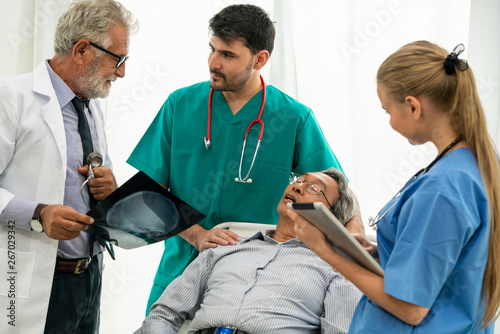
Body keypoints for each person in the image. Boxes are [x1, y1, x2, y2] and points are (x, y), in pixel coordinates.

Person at [127, 4, 364, 313]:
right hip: (182, 266)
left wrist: (355, 244)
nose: (214, 62)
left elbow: (336, 187)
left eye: (228, 55)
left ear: (260, 59)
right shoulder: (180, 104)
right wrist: (197, 235)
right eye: (212, 49)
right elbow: (147, 190)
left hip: (254, 279)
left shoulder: (293, 117)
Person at [292, 41, 500, 333]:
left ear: (413, 106)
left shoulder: (442, 189)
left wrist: (325, 250)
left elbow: (410, 308)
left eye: (387, 110)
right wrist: (381, 251)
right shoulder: (473, 166)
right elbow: (448, 260)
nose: (389, 121)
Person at [0, 1, 138, 333]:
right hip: (35, 281)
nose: (122, 72)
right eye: (118, 59)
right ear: (80, 50)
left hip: (88, 276)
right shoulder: (12, 98)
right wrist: (38, 214)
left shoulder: (91, 107)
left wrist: (108, 186)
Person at [134, 168, 362, 334]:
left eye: (313, 188)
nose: (297, 186)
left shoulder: (337, 269)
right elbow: (164, 314)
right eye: (299, 179)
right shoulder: (226, 247)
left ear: (331, 217)